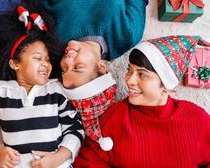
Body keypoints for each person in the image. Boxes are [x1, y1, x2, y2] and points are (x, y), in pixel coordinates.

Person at [0, 2, 84, 168]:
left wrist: (59, 157)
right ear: (15, 64)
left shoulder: (56, 90)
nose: (46, 64)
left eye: (47, 59)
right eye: (38, 58)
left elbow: (75, 128)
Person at [74, 35, 210, 167]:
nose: (129, 80)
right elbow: (87, 162)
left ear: (165, 84)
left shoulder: (197, 118)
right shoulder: (114, 118)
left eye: (142, 74)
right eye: (129, 70)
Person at [38, 0, 149, 88]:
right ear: (101, 67)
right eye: (78, 67)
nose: (67, 61)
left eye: (64, 69)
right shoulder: (127, 34)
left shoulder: (55, 39)